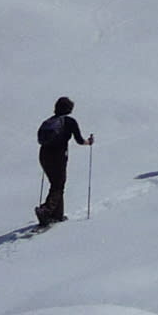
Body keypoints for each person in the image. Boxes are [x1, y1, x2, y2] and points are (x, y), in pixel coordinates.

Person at [35, 96, 93, 226]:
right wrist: (88, 142)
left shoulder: (49, 121)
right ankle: (46, 210)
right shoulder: (70, 121)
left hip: (44, 154)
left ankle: (57, 215)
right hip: (58, 155)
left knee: (56, 183)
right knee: (58, 184)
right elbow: (79, 140)